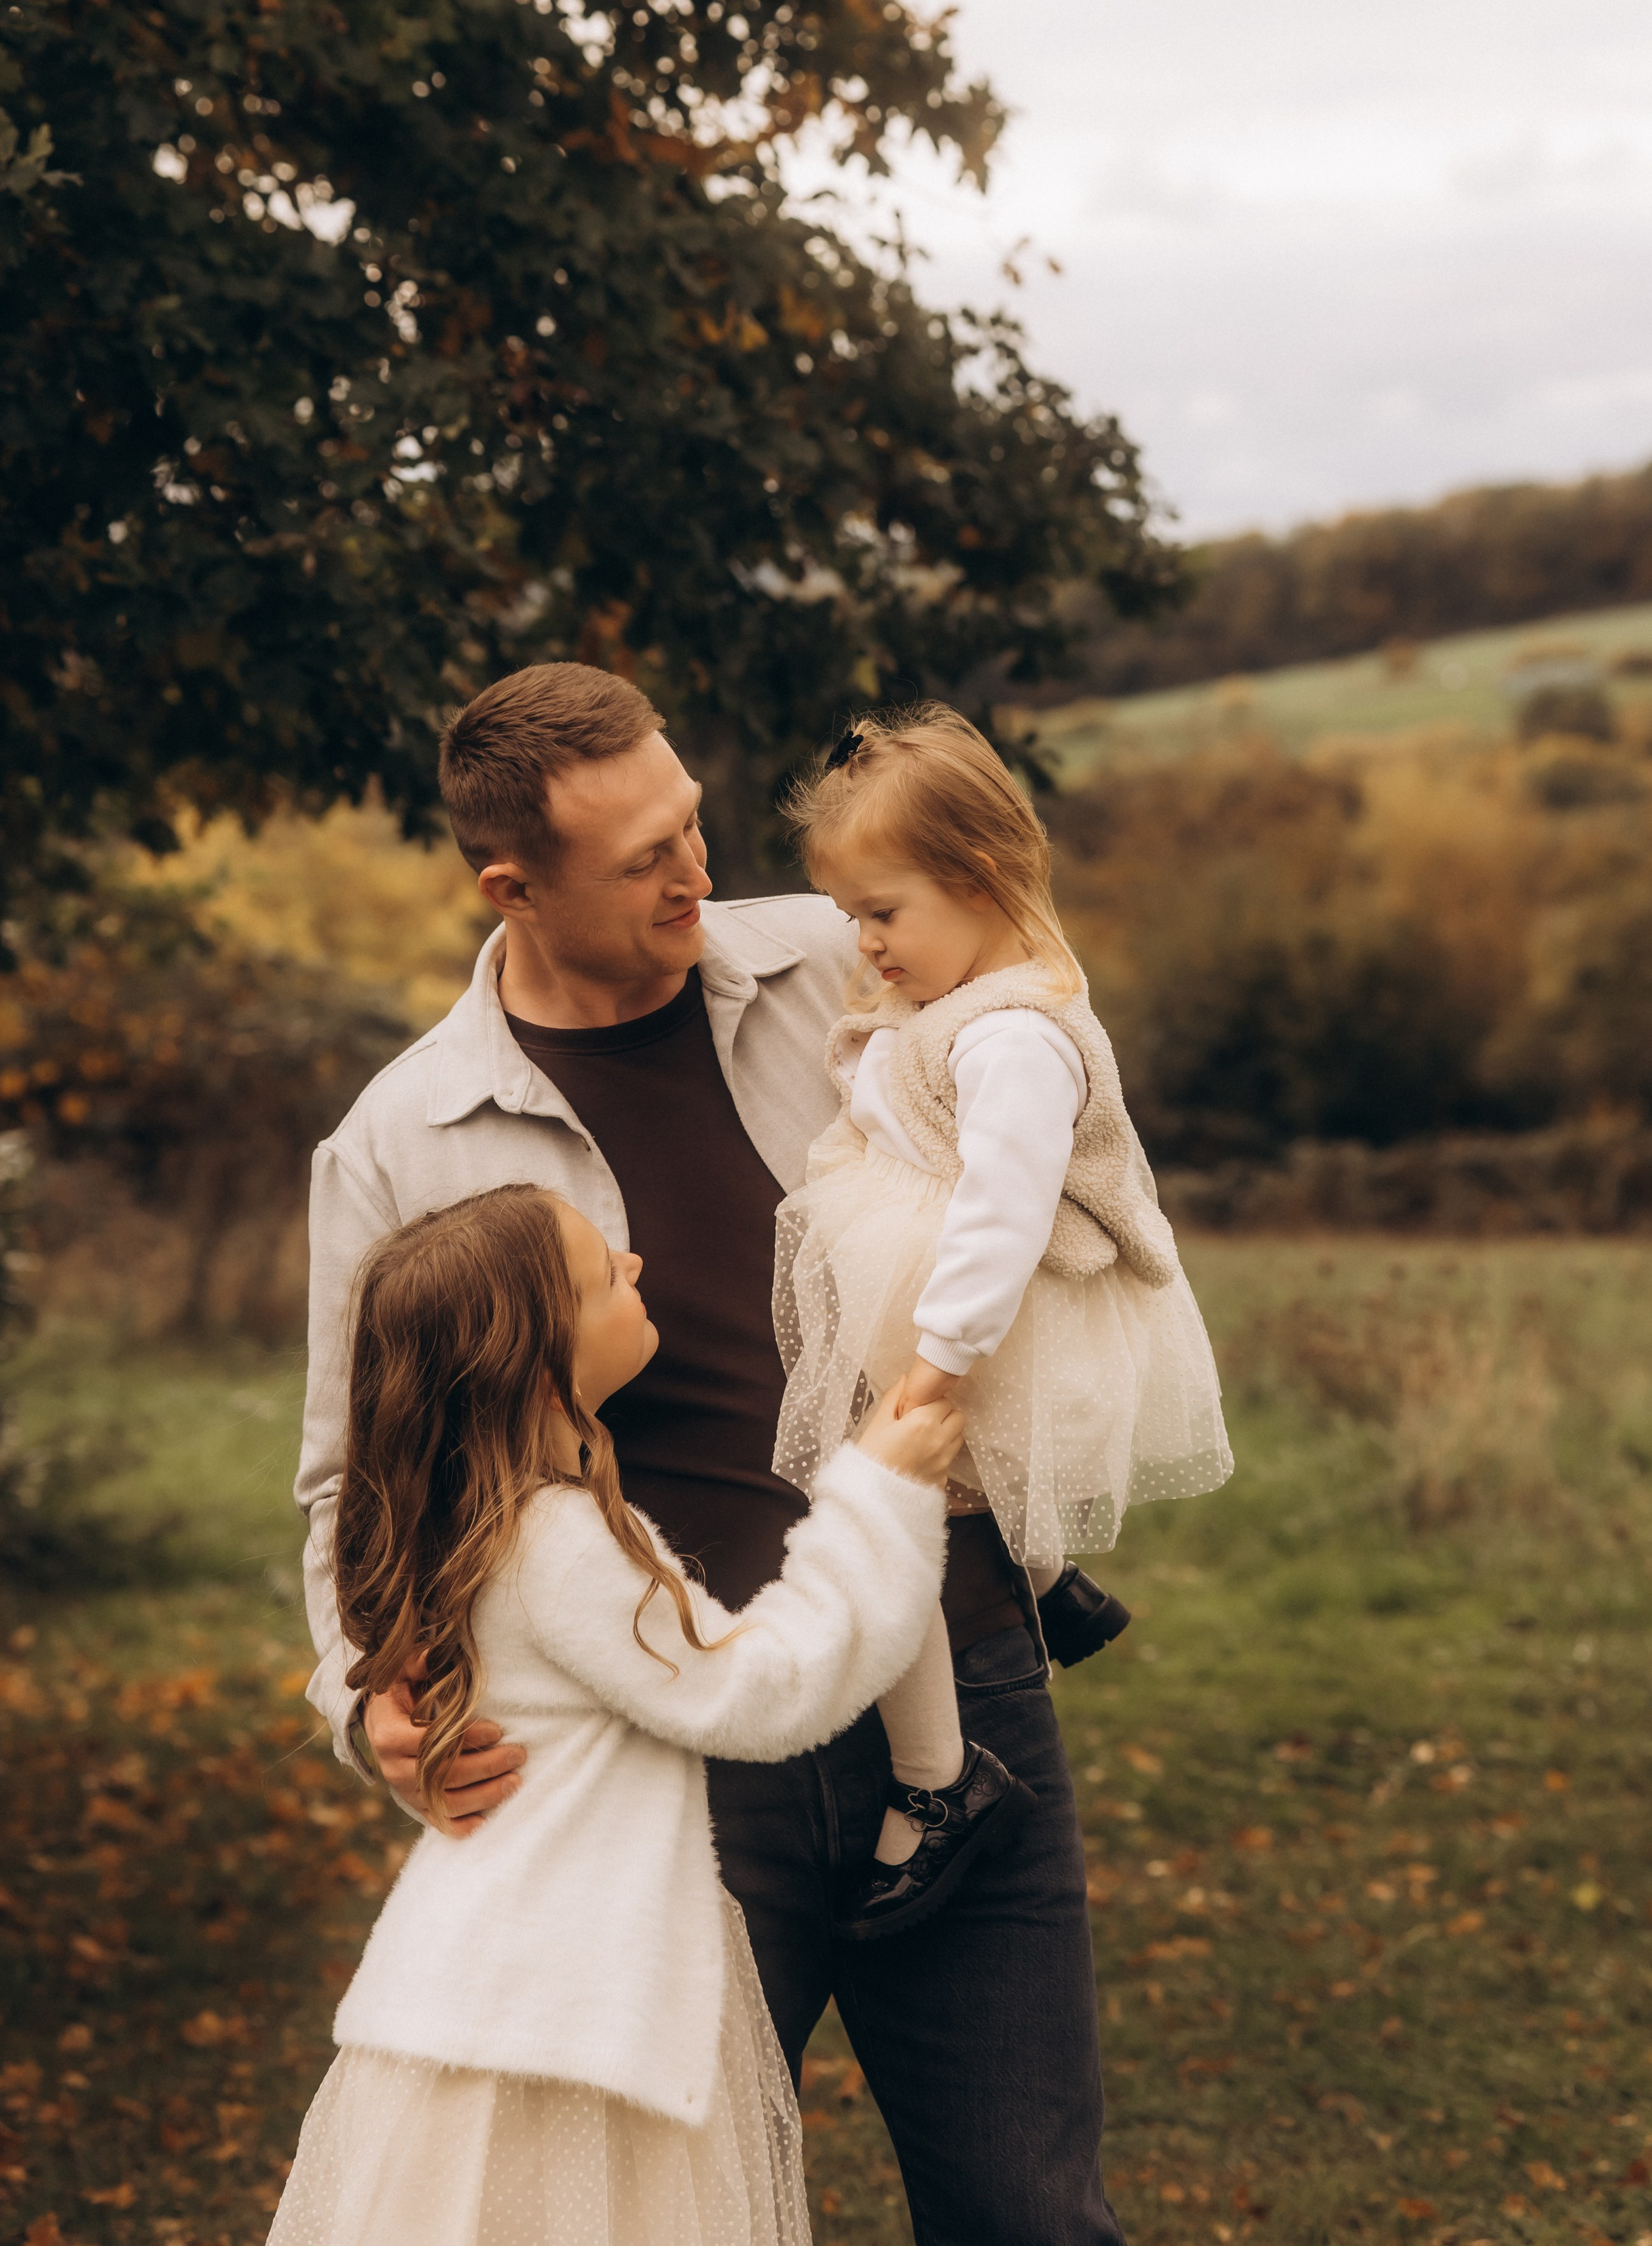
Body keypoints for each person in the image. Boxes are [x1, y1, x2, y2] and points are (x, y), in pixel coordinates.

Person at [295, 659, 1132, 2244]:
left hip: (960, 1676)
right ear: (510, 886)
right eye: (642, 860)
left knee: (1032, 2213)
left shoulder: (844, 954)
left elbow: (1038, 1071)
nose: (694, 870)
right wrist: (368, 1697)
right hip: (680, 1766)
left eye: (689, 823)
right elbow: (354, 1480)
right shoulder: (402, 1141)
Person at [271, 1180, 959, 2246]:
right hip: (564, 2018)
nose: (635, 1266)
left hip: (492, 1989)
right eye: (604, 1275)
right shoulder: (558, 1545)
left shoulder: (472, 1528)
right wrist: (880, 1496)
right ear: (546, 1370)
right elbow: (760, 1691)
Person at [769, 705, 1234, 1937]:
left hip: (962, 1313)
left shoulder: (1016, 1037)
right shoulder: (960, 1001)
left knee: (882, 1514)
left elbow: (1004, 1209)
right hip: (928, 1297)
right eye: (853, 916)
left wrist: (939, 1362)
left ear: (977, 880)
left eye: (882, 912)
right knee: (956, 1489)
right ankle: (1051, 1578)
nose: (864, 943)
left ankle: (939, 1779)